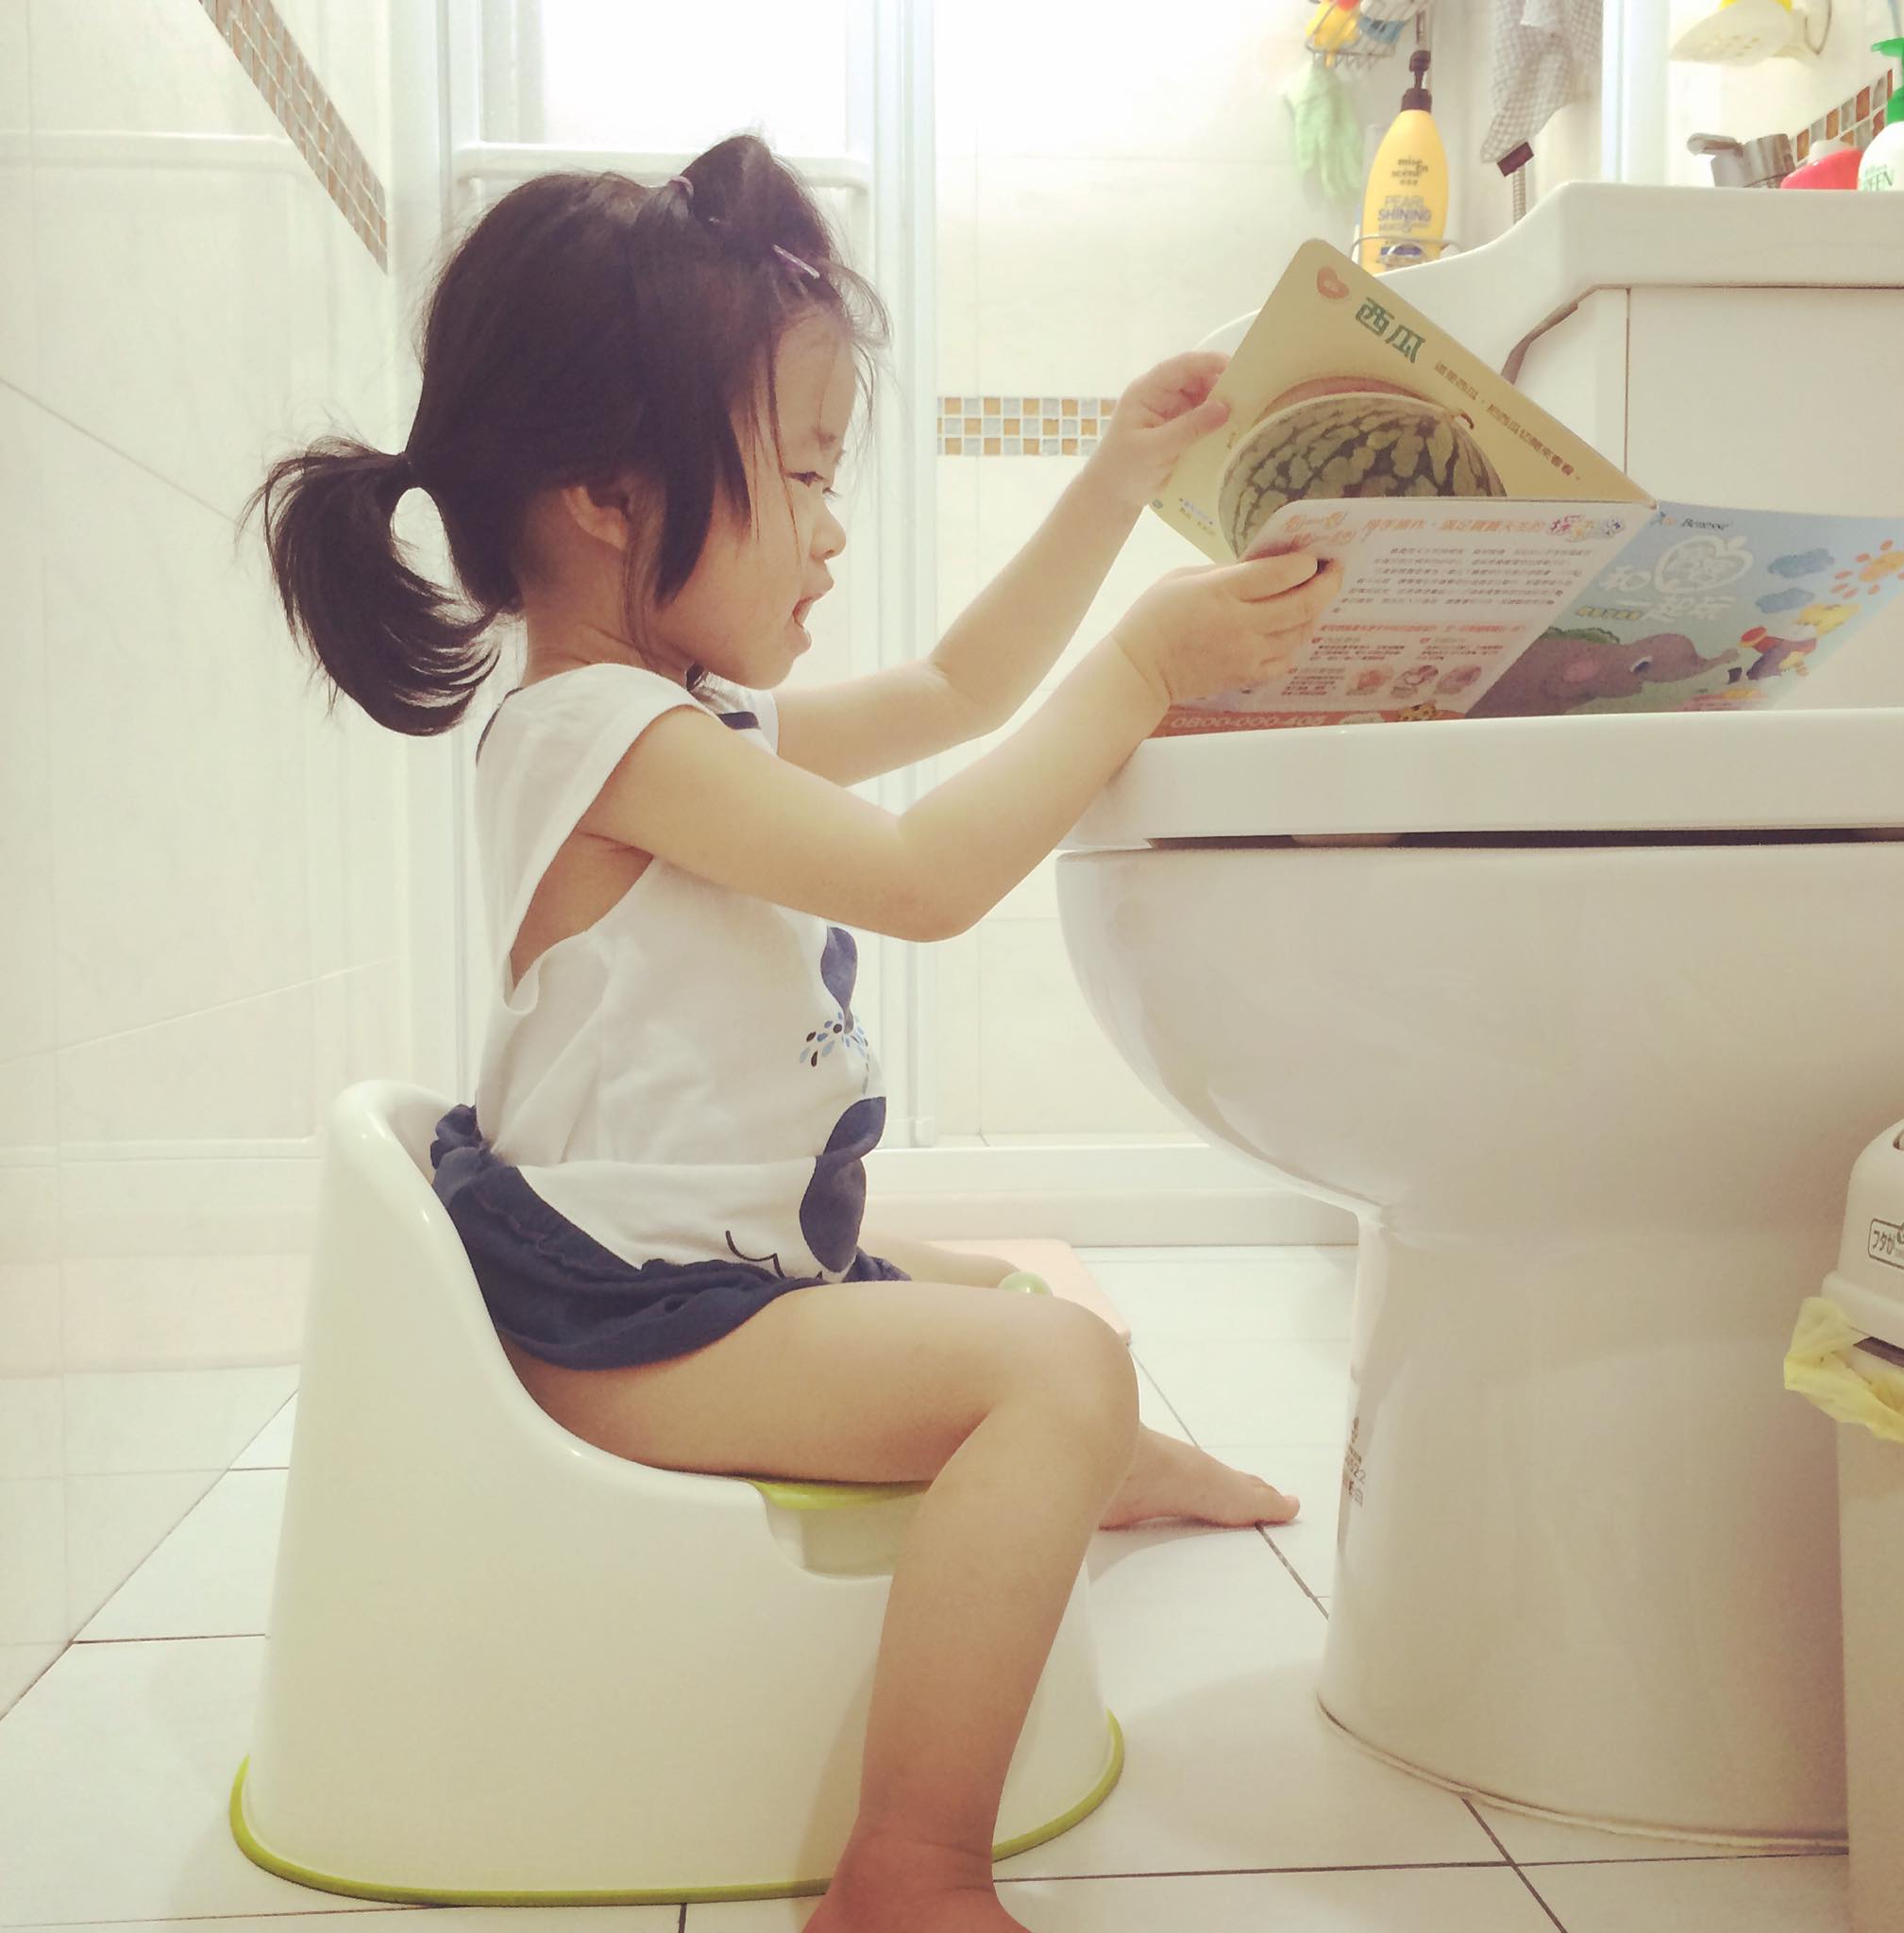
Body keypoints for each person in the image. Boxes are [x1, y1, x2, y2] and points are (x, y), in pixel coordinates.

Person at [243, 133, 1344, 1933]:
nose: (836, 527)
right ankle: (908, 1866)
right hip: (629, 1317)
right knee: (1055, 1369)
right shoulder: (602, 734)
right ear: (611, 494)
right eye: (809, 472)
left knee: (1013, 1301)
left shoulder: (680, 721)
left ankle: (1094, 1466)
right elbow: (922, 877)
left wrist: (1118, 478)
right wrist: (1144, 670)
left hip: (684, 1269)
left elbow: (960, 689)